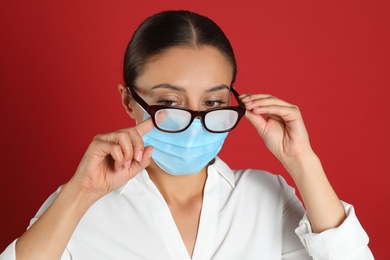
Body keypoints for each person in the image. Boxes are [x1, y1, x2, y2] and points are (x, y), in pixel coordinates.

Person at [1, 10, 373, 260]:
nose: (194, 122)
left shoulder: (266, 197)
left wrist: (303, 162)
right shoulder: (80, 205)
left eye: (212, 102)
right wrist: (79, 195)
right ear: (130, 102)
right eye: (169, 101)